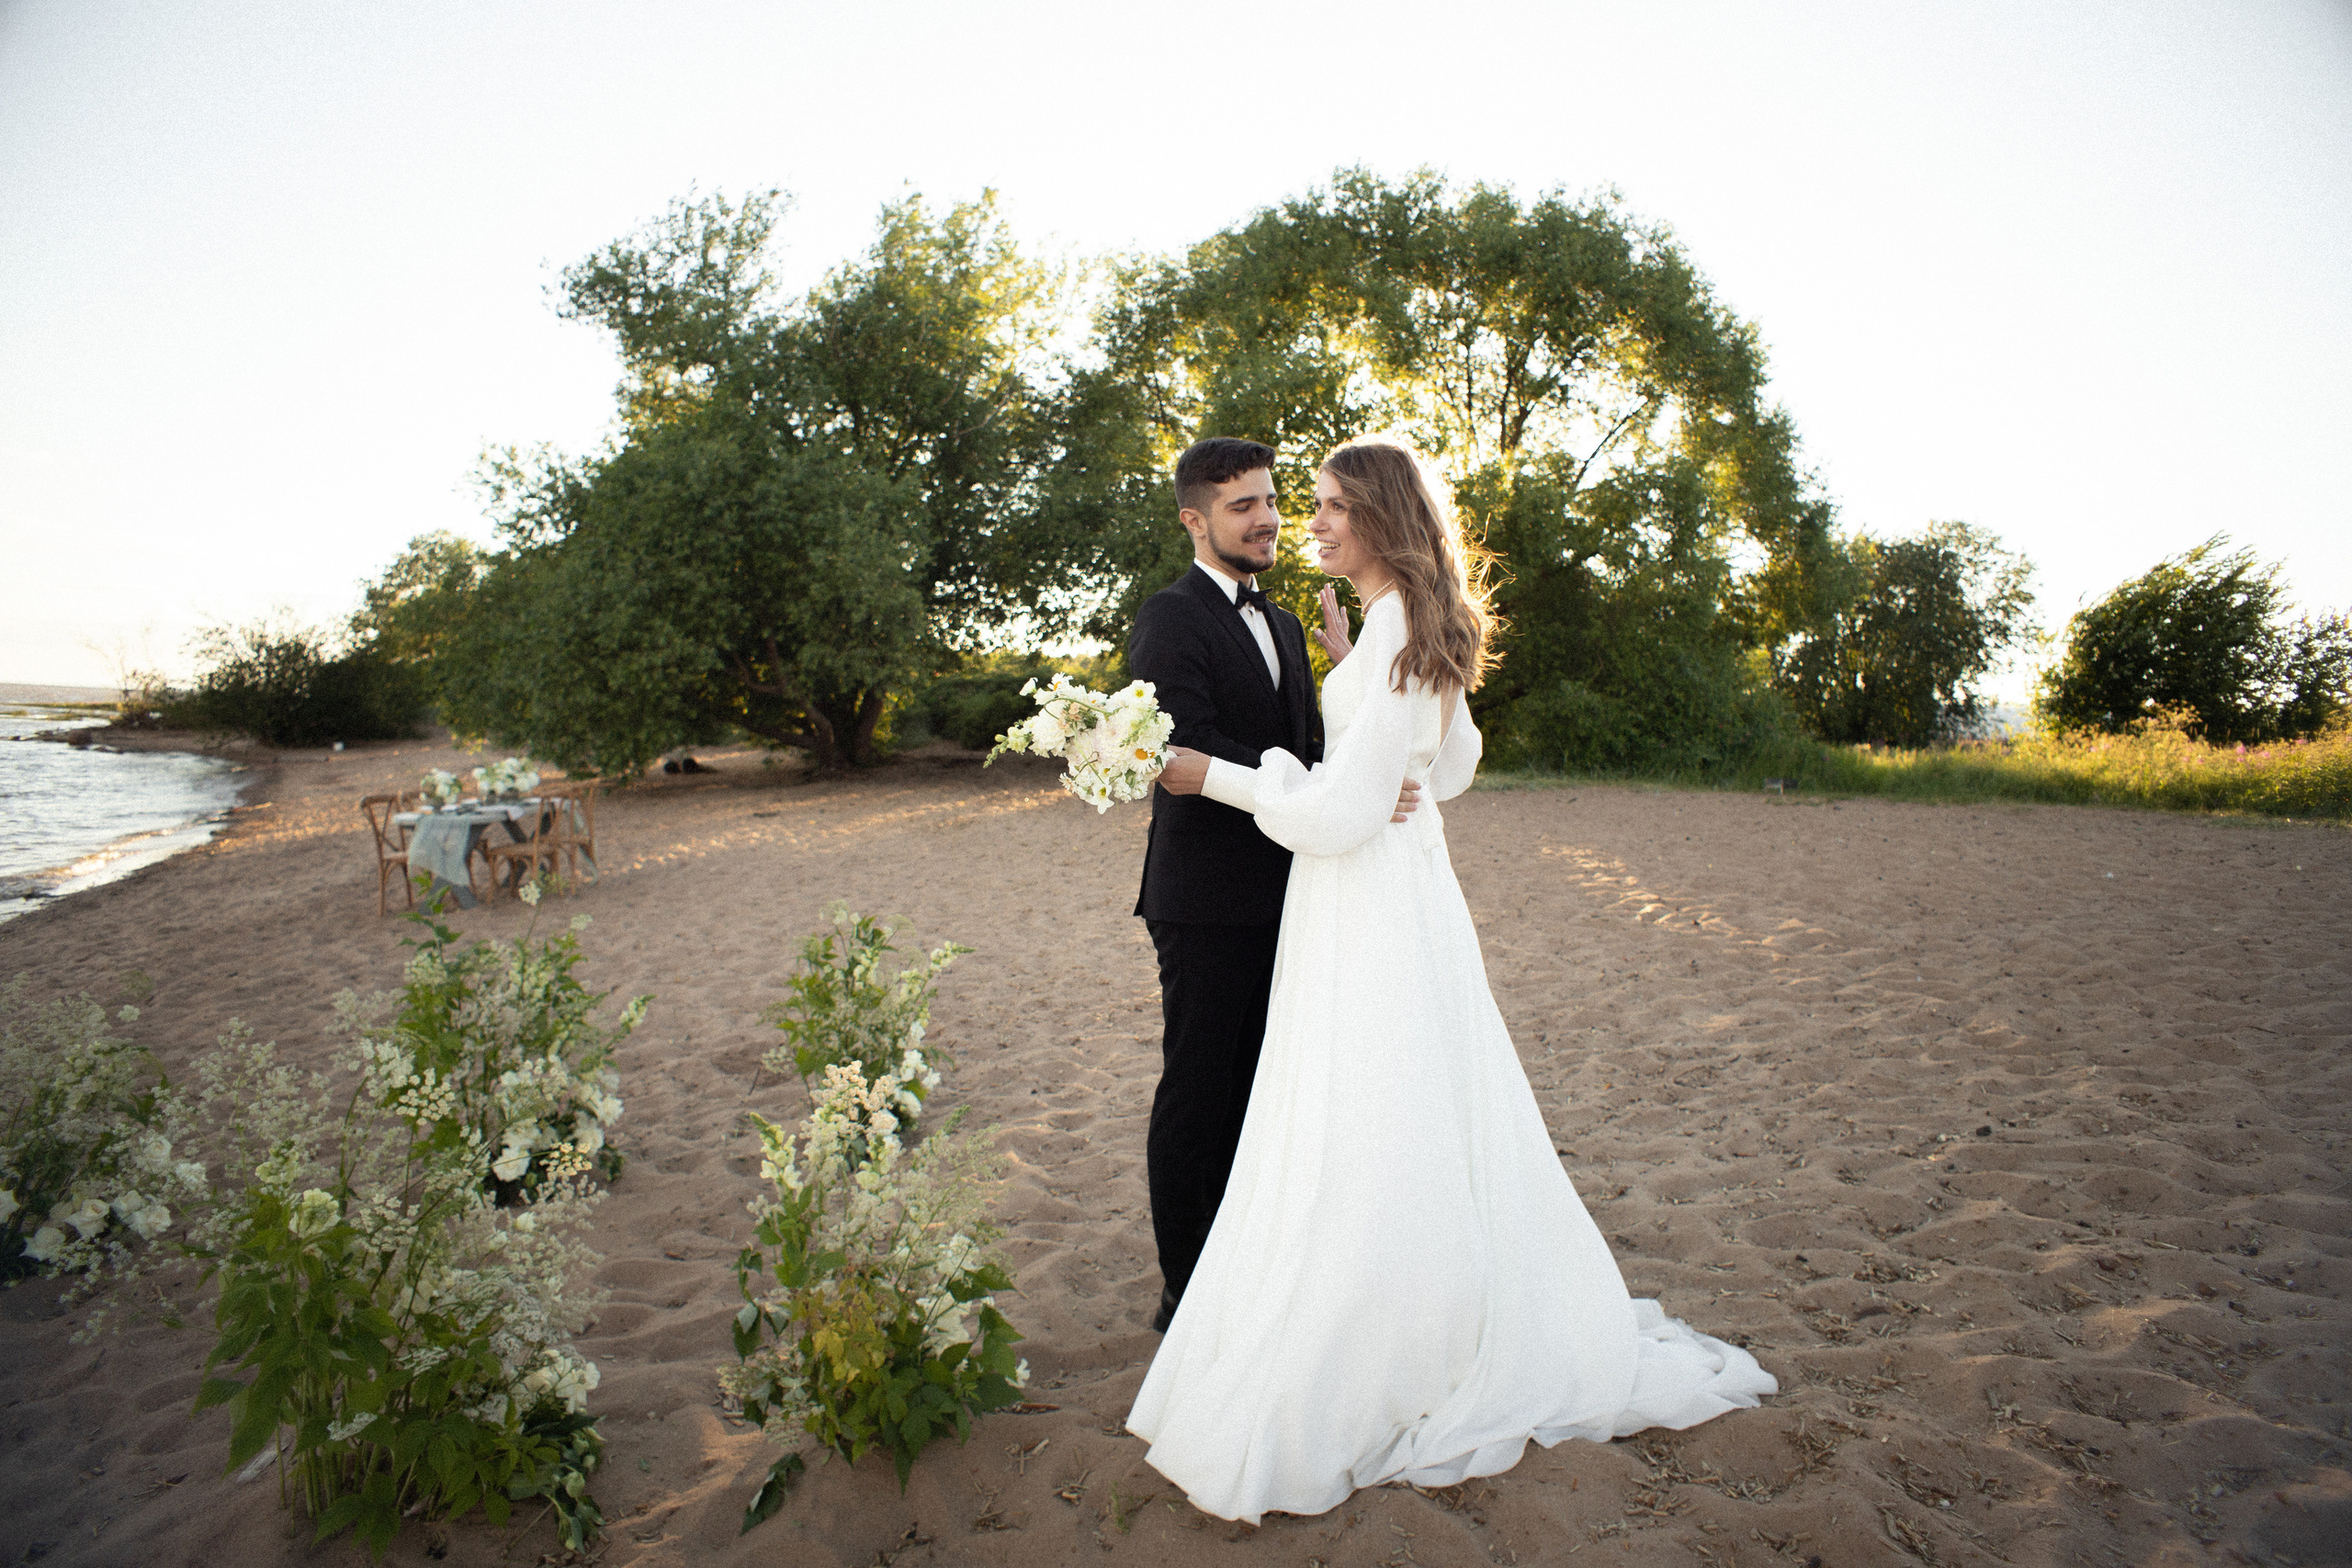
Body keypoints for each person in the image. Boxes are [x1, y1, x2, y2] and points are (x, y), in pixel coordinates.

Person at [1127, 437, 1777, 1524]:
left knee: (1362, 1112)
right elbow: (1457, 766)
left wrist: (1236, 773)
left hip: (1359, 895)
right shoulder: (1409, 630)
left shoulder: (1383, 638)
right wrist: (1383, 751)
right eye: (1304, 506)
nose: (1309, 524)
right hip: (1396, 897)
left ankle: (1376, 1323)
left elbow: (1338, 813)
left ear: (1378, 519)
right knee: (1397, 1104)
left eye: (1328, 507)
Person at [1127, 438, 1424, 1336]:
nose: (1264, 520)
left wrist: (1366, 760)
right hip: (1207, 900)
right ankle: (1184, 1294)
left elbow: (1305, 747)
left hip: (1296, 893)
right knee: (1200, 1092)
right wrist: (1326, 782)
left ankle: (1253, 1266)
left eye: (1268, 501)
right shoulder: (1169, 619)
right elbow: (1185, 749)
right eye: (1239, 506)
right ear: (1193, 520)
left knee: (1269, 1090)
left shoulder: (1289, 623)